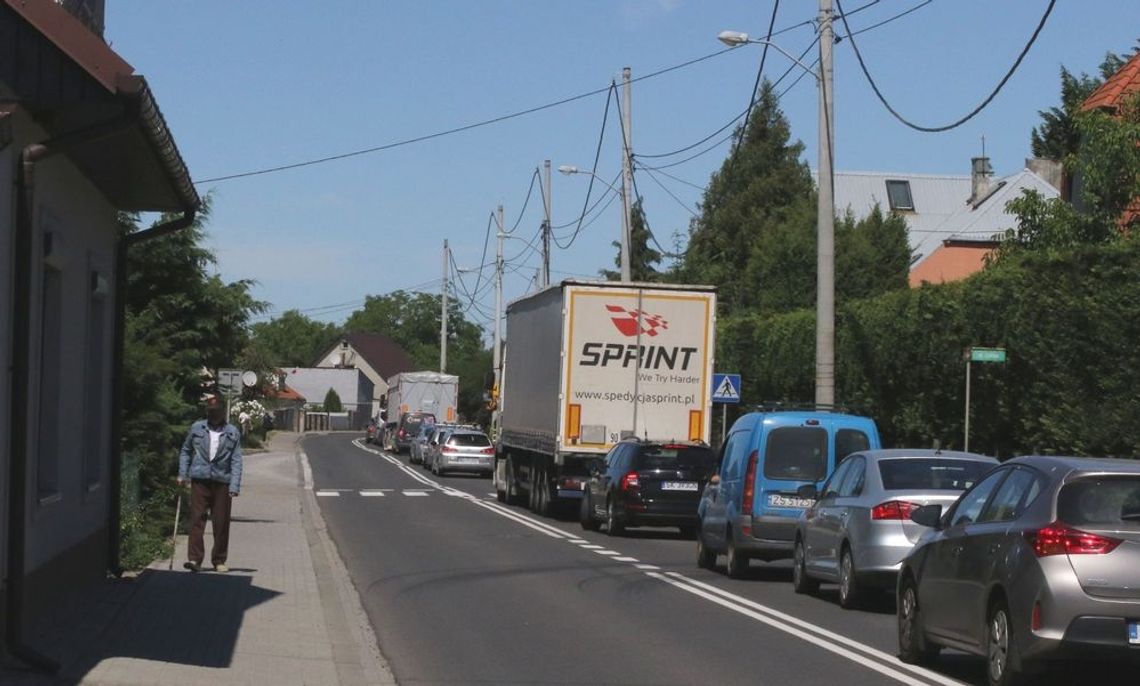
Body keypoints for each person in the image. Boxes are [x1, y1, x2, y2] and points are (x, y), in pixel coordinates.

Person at [177, 395, 243, 573]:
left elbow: (236, 460)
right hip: (200, 479)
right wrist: (182, 474)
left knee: (221, 522)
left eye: (217, 412)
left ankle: (219, 560)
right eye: (211, 412)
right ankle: (195, 559)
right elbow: (185, 450)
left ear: (223, 412)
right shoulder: (197, 428)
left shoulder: (232, 432)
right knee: (197, 519)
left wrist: (234, 486)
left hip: (222, 481)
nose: (214, 415)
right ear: (207, 412)